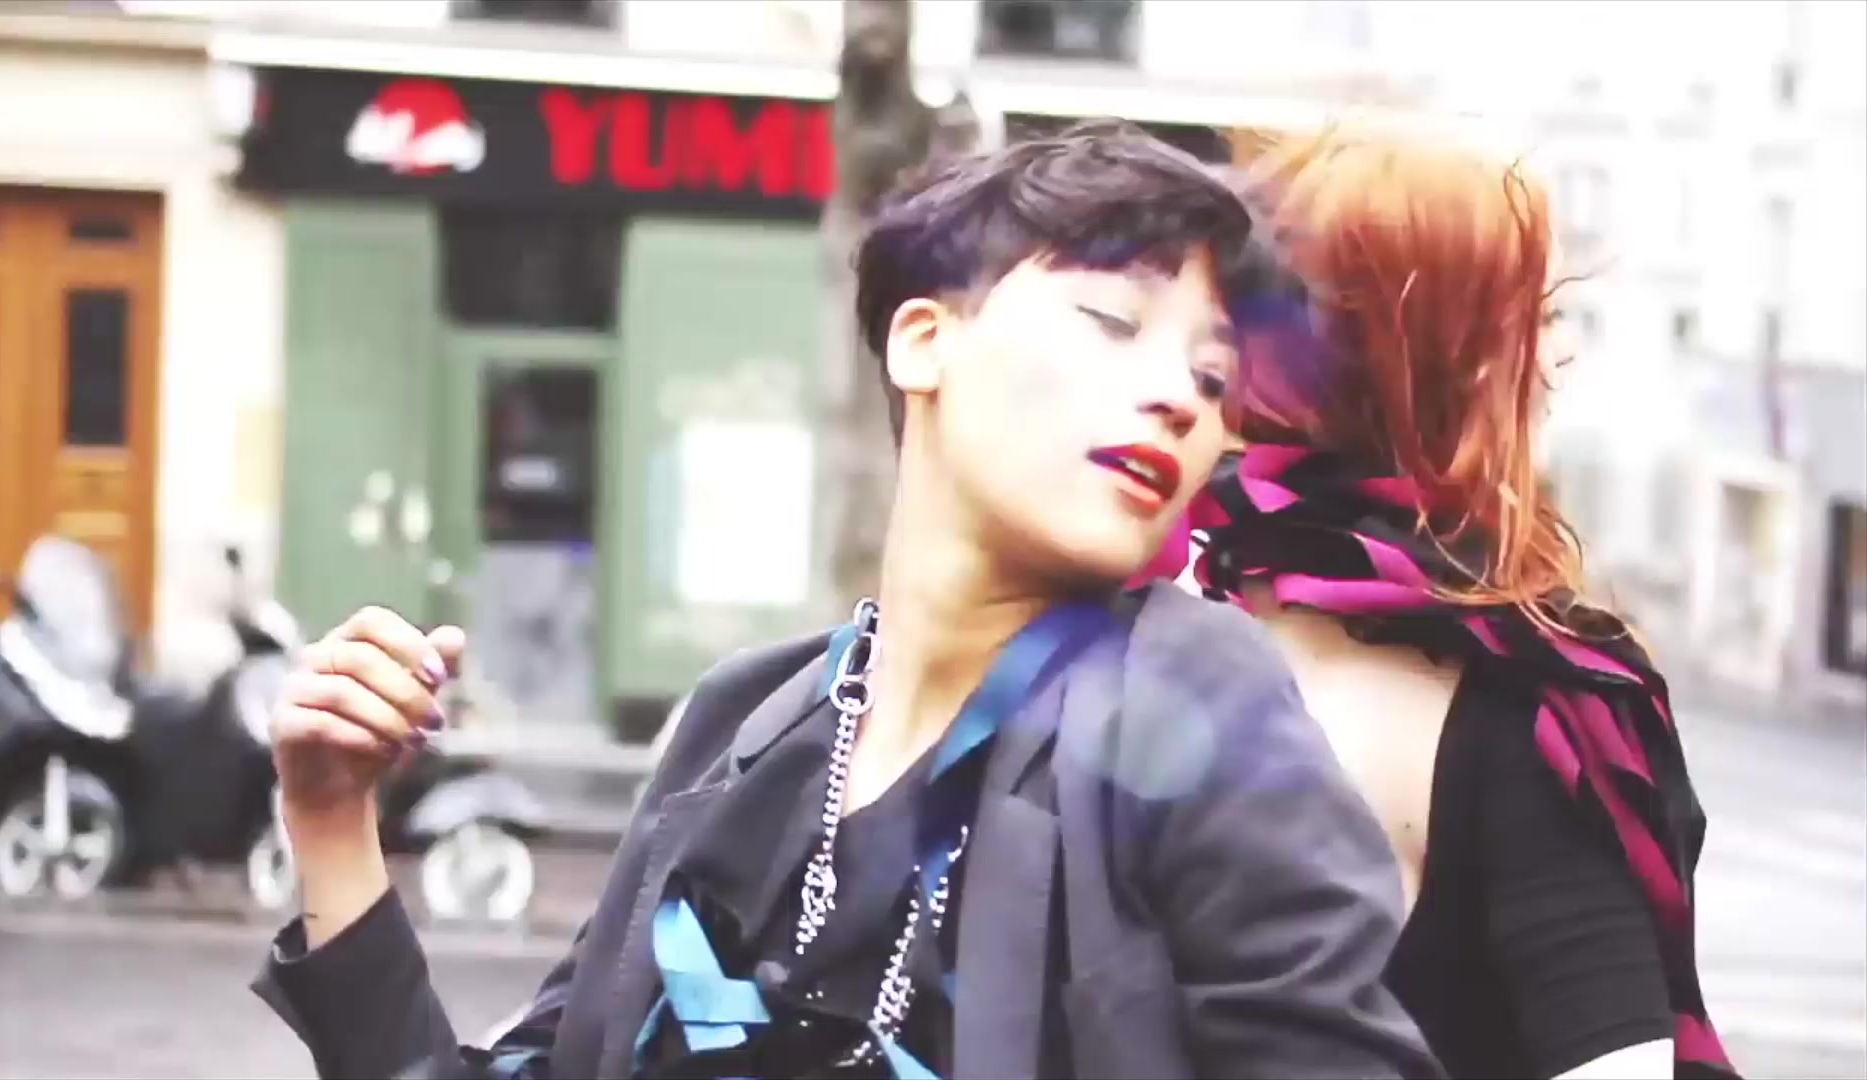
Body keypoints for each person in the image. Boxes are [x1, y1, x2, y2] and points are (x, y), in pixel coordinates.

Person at [252, 124, 1442, 1079]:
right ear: (924, 342)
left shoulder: (1194, 699)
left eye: (1214, 376)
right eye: (1115, 322)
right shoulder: (746, 721)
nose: (1181, 399)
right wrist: (332, 819)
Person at [1171, 130, 1735, 1080]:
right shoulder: (1524, 698)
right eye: (1531, 318)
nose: (1556, 358)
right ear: (1441, 360)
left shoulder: (1131, 622)